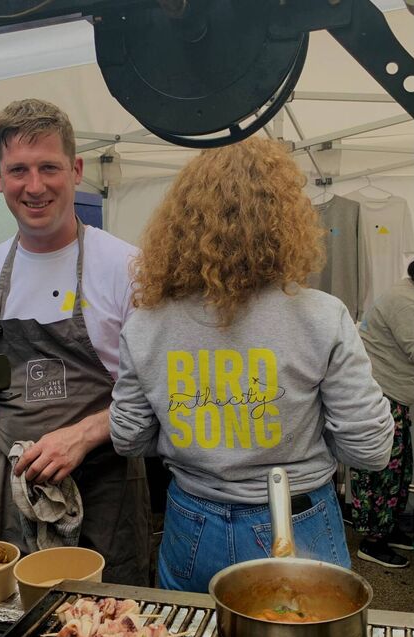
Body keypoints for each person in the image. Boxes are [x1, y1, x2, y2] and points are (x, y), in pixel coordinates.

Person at [109, 136, 394, 594]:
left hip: (189, 523)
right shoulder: (322, 316)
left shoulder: (147, 324)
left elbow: (129, 439)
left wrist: (201, 434)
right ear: (286, 221)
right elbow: (371, 451)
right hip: (297, 520)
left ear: (178, 222)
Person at [0, 98, 151, 585]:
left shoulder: (127, 268)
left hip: (105, 488)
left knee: (106, 633)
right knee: (12, 625)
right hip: (14, 484)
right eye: (18, 170)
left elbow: (152, 391)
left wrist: (81, 435)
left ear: (76, 170)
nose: (34, 186)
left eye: (49, 168)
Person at [351, 259, 414, 569]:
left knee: (400, 470)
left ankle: (390, 529)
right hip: (381, 398)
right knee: (384, 472)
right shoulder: (404, 301)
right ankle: (373, 541)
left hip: (393, 396)